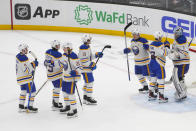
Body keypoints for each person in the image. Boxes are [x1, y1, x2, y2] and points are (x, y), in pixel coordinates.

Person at [78, 34, 103, 105]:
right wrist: (91, 64)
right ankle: (88, 98)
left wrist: (96, 55)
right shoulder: (83, 48)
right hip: (85, 69)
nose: (90, 41)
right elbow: (83, 61)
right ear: (85, 40)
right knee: (90, 82)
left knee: (88, 82)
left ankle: (85, 98)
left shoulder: (87, 47)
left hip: (87, 69)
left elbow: (89, 57)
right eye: (88, 40)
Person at [123, 29, 150, 93]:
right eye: (133, 35)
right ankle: (145, 86)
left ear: (138, 34)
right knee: (138, 74)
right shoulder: (132, 41)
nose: (134, 36)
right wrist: (128, 50)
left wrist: (148, 48)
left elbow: (149, 49)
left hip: (145, 62)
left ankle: (155, 86)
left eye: (135, 34)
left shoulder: (144, 40)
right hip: (137, 62)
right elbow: (132, 48)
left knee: (147, 75)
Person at [59, 42, 82, 118]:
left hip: (71, 79)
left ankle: (74, 110)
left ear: (69, 48)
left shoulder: (74, 56)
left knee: (71, 94)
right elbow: (62, 63)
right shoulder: (64, 55)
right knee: (64, 93)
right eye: (63, 48)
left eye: (65, 48)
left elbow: (80, 68)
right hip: (65, 77)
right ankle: (68, 106)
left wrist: (75, 71)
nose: (63, 49)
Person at [169, 26, 190, 100]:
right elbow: (176, 50)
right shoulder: (178, 40)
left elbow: (184, 53)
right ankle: (183, 91)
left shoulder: (181, 40)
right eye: (174, 33)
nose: (174, 35)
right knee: (180, 77)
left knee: (176, 78)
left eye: (176, 33)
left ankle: (182, 93)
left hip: (182, 63)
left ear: (179, 34)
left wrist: (174, 55)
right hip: (180, 64)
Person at [148, 31, 170, 103]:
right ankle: (161, 96)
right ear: (159, 37)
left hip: (151, 62)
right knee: (161, 80)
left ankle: (151, 94)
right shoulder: (160, 44)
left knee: (153, 80)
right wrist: (167, 46)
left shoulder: (151, 44)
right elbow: (165, 53)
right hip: (158, 63)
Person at [16, 43, 39, 112]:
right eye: (26, 49)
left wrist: (31, 65)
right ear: (22, 50)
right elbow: (26, 70)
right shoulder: (23, 58)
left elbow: (24, 67)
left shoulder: (18, 56)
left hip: (20, 78)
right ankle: (30, 107)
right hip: (26, 79)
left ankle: (21, 106)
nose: (27, 50)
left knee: (23, 91)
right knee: (33, 92)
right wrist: (33, 64)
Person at [44, 40, 63, 110]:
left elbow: (45, 62)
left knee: (56, 87)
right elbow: (61, 65)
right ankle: (55, 103)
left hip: (49, 73)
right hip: (56, 74)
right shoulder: (59, 54)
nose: (58, 46)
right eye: (56, 45)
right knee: (57, 88)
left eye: (58, 45)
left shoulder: (47, 51)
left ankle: (54, 101)